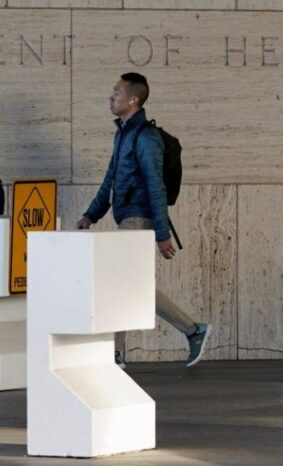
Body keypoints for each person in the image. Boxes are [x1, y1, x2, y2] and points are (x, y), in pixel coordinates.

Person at [77, 72, 210, 368]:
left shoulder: (147, 138)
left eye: (117, 93)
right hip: (127, 218)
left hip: (138, 219)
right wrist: (90, 214)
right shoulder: (123, 134)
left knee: (118, 283)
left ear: (134, 99)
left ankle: (117, 353)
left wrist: (162, 234)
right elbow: (111, 179)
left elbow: (155, 185)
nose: (111, 97)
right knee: (127, 286)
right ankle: (190, 331)